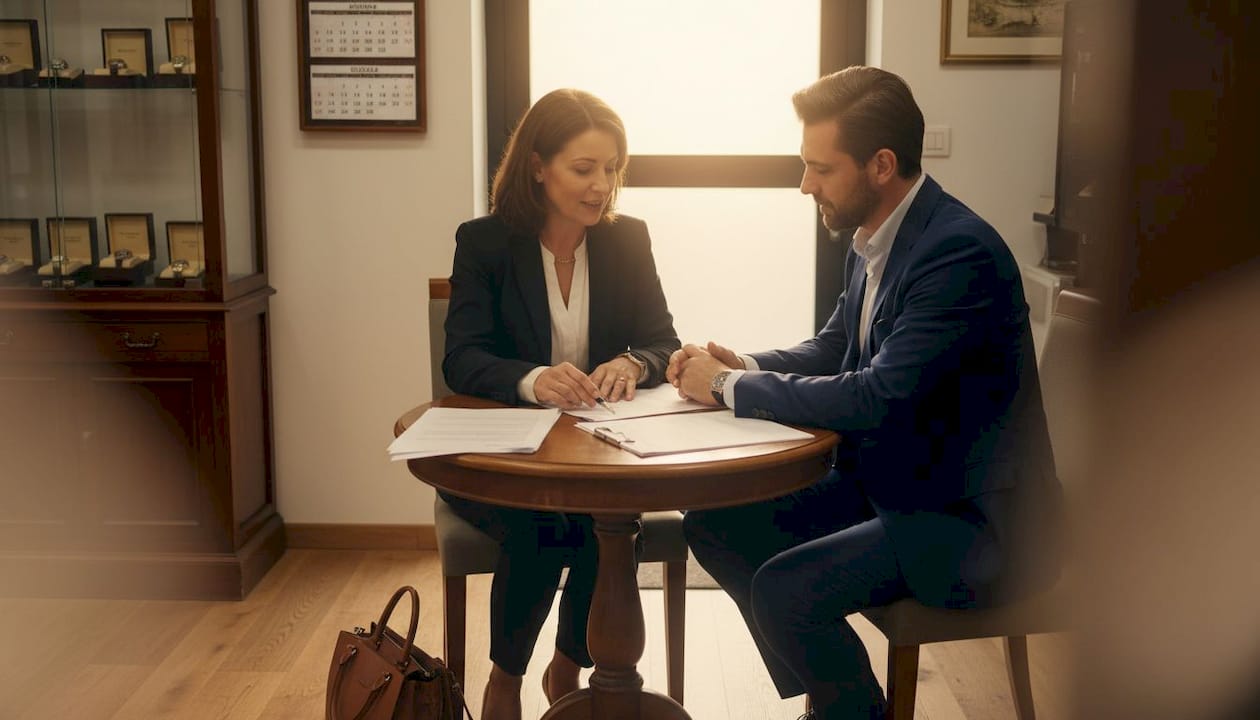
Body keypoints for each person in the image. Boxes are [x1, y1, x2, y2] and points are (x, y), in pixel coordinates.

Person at [667, 66, 1063, 719]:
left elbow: (876, 396)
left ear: (881, 165)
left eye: (820, 168)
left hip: (970, 521)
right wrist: (741, 364)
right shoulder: (874, 238)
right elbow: (834, 349)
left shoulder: (958, 253)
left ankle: (846, 710)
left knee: (785, 591)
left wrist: (728, 385)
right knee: (716, 525)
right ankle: (836, 701)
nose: (805, 185)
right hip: (897, 486)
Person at [440, 88, 679, 720]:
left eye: (612, 168)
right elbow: (461, 358)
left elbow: (663, 341)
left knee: (604, 518)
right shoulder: (485, 243)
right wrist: (533, 380)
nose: (602, 185)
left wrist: (633, 363)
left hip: (593, 456)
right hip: (501, 462)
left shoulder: (627, 240)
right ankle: (508, 678)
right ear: (538, 167)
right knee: (549, 521)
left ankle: (568, 666)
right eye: (584, 168)